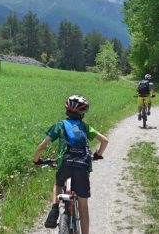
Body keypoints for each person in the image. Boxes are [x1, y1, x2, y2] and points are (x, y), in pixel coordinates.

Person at [33, 95, 108, 234]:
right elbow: (105, 141)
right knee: (83, 207)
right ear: (83, 114)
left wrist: (36, 160)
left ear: (66, 110)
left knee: (58, 184)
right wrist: (97, 155)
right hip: (82, 167)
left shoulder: (60, 125)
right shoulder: (86, 127)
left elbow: (41, 146)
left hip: (65, 165)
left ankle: (55, 207)